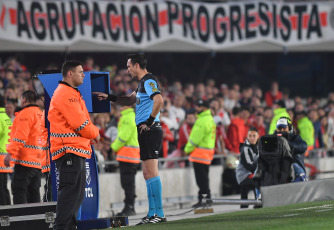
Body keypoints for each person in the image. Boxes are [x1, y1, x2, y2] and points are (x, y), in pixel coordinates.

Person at [93, 53, 166, 225]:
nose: (127, 70)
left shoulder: (148, 81)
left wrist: (149, 121)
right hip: (146, 130)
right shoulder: (142, 84)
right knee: (147, 173)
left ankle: (159, 213)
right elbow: (129, 100)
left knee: (151, 172)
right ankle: (153, 213)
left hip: (150, 129)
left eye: (129, 66)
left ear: (137, 65)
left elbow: (159, 100)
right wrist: (109, 97)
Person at [48, 60, 100, 230]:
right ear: (70, 74)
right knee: (70, 194)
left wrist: (89, 134)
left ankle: (67, 227)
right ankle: (61, 227)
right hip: (68, 150)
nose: (83, 74)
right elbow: (81, 124)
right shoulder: (66, 94)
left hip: (73, 150)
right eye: (80, 71)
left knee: (75, 195)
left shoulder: (69, 92)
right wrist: (95, 133)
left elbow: (80, 123)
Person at [4, 90, 43, 204]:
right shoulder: (40, 113)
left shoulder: (25, 114)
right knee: (33, 192)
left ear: (24, 100)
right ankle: (36, 220)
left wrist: (10, 153)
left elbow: (20, 137)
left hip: (25, 160)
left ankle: (21, 221)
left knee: (19, 190)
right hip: (38, 161)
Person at [184, 99, 216, 208]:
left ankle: (204, 200)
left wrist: (187, 149)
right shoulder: (209, 119)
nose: (196, 109)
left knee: (201, 180)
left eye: (198, 106)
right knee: (204, 179)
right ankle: (206, 199)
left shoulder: (202, 120)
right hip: (206, 154)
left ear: (203, 108)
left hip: (200, 155)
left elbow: (195, 138)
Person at [111, 105, 140, 217]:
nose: (119, 107)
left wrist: (113, 147)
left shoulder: (128, 117)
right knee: (128, 183)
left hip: (128, 156)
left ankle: (129, 207)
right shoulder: (130, 116)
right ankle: (129, 206)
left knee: (127, 183)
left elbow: (123, 137)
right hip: (129, 156)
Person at [275, 117, 308, 182]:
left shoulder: (295, 138)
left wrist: (288, 145)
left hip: (294, 166)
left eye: (284, 128)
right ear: (277, 130)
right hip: (279, 168)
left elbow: (304, 146)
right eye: (279, 128)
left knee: (296, 167)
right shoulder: (273, 139)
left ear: (289, 128)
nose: (282, 130)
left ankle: (302, 177)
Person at [236, 127, 259, 208]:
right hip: (243, 175)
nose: (252, 138)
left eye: (254, 136)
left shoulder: (258, 147)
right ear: (247, 136)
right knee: (259, 181)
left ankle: (244, 205)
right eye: (250, 136)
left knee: (259, 179)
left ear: (258, 136)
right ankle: (258, 203)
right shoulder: (245, 149)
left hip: (250, 173)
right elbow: (249, 166)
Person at [0, 95, 13, 205]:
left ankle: (5, 215)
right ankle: (8, 213)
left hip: (0, 159)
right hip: (5, 157)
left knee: (1, 189)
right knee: (4, 188)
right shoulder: (6, 117)